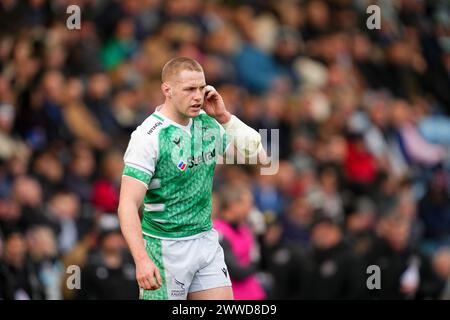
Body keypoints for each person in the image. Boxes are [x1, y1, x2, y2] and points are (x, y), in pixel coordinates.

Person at [118, 57, 267, 300]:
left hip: (205, 240)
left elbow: (260, 157)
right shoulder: (148, 136)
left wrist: (225, 117)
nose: (198, 96)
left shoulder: (208, 124)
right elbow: (127, 205)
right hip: (165, 248)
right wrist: (141, 259)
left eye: (201, 88)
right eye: (189, 89)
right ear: (167, 90)